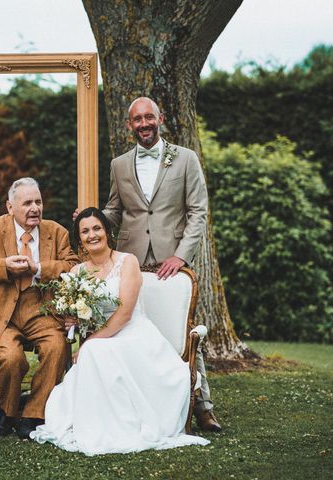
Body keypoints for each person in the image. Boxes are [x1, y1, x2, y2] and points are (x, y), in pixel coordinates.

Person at [30, 207, 210, 455]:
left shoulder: (128, 262)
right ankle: (96, 423)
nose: (92, 235)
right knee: (96, 351)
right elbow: (79, 315)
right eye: (85, 231)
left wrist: (89, 342)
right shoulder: (76, 273)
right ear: (79, 238)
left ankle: (119, 426)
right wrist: (72, 319)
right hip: (102, 339)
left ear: (107, 230)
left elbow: (124, 314)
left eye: (96, 228)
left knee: (94, 350)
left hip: (134, 334)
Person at [101, 96, 221, 432]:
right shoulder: (119, 164)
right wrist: (92, 217)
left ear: (160, 118)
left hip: (172, 265)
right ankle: (139, 404)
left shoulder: (186, 159)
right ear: (129, 125)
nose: (143, 124)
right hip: (132, 264)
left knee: (181, 333)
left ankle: (202, 405)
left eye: (148, 117)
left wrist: (181, 256)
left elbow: (198, 211)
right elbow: (115, 211)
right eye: (137, 119)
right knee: (133, 333)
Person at [0, 177, 79, 439]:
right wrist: (2, 266)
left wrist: (40, 268)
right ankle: (8, 412)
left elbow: (73, 266)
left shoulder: (56, 232)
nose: (35, 208)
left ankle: (35, 413)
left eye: (38, 201)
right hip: (1, 313)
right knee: (12, 358)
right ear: (10, 207)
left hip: (42, 311)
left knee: (56, 347)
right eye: (27, 203)